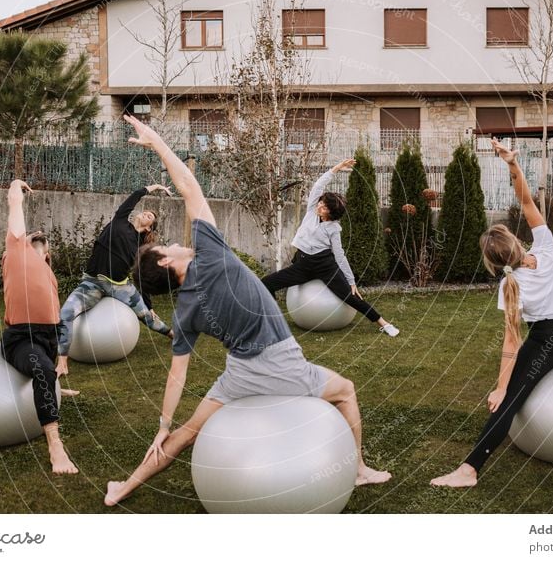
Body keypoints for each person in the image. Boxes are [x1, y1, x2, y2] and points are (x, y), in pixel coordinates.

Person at [103, 115, 391, 507]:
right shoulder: (212, 254)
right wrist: (158, 144)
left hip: (240, 373)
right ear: (167, 264)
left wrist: (162, 425)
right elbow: (189, 187)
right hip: (281, 362)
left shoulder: (185, 308)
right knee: (345, 391)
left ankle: (122, 488)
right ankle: (357, 469)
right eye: (166, 247)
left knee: (186, 433)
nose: (173, 244)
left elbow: (177, 374)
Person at [430, 139, 553, 488]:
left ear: (493, 261)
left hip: (548, 338)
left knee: (509, 401)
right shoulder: (547, 247)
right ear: (516, 241)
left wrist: (501, 387)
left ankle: (469, 470)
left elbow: (511, 341)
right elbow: (526, 200)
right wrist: (511, 164)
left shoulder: (510, 285)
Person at [261, 161, 399, 336]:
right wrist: (335, 169)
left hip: (325, 266)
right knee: (266, 283)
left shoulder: (333, 228)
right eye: (321, 202)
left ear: (331, 213)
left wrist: (351, 282)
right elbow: (319, 185)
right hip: (303, 264)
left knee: (350, 297)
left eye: (325, 206)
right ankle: (275, 322)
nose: (320, 206)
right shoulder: (312, 210)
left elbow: (339, 255)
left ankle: (384, 323)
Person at [0, 179, 78, 475]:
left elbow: (56, 319)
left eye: (40, 243)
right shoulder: (16, 255)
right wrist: (15, 188)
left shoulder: (49, 274)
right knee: (42, 370)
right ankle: (55, 448)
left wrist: (60, 358)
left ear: (46, 254)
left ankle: (53, 385)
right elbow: (14, 208)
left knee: (48, 370)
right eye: (29, 238)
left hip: (46, 338)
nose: (33, 240)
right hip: (21, 340)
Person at [55, 184, 173, 377]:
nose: (144, 214)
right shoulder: (120, 220)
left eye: (149, 217)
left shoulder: (139, 247)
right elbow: (135, 195)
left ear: (149, 227)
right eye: (145, 212)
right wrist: (156, 187)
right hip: (92, 283)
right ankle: (62, 363)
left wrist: (148, 305)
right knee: (66, 314)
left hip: (120, 287)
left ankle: (171, 334)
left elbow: (140, 277)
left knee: (148, 317)